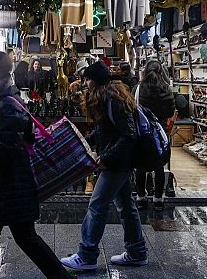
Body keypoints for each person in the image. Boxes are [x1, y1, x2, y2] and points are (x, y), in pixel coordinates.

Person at [0, 51, 73, 279]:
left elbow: (8, 149)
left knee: (18, 237)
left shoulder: (6, 104)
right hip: (3, 184)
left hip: (9, 184)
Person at [61, 61, 148, 271]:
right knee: (126, 206)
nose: (86, 84)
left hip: (117, 164)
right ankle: (137, 252)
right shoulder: (109, 98)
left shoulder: (112, 100)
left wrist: (106, 158)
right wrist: (84, 140)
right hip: (120, 161)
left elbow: (128, 135)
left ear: (97, 81)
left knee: (97, 206)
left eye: (88, 80)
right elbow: (106, 132)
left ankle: (87, 255)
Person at [135, 60, 176, 210]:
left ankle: (141, 198)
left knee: (140, 165)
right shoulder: (167, 88)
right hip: (161, 132)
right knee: (159, 166)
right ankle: (158, 199)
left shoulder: (139, 88)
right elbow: (170, 112)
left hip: (143, 131)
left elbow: (134, 108)